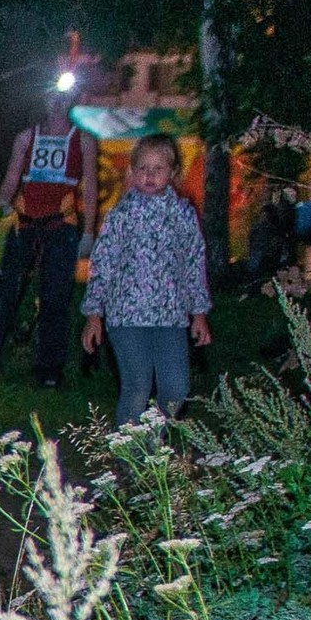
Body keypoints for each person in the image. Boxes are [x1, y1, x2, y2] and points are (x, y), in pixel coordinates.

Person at [82, 133, 213, 424]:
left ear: (172, 172)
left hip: (171, 318)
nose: (149, 175)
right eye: (142, 168)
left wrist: (199, 313)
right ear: (131, 171)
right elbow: (102, 264)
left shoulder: (183, 214)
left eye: (158, 169)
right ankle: (129, 448)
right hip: (126, 317)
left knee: (176, 388)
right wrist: (94, 314)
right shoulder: (120, 215)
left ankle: (151, 440)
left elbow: (194, 262)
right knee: (137, 387)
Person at [0, 81, 100, 386]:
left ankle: (49, 369)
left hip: (61, 226)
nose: (56, 103)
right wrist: (1, 206)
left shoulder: (84, 141)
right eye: (52, 97)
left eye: (62, 98)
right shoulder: (26, 137)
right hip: (25, 224)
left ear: (70, 102)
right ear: (44, 101)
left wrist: (88, 232)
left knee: (55, 297)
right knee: (8, 291)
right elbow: (12, 176)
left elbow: (90, 187)